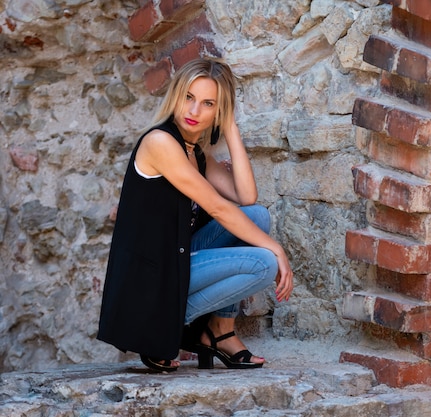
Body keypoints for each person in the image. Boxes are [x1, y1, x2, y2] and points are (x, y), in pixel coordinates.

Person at [97, 58, 293, 372]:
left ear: (219, 111)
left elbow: (246, 197)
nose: (193, 111)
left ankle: (219, 332)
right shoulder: (160, 142)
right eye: (188, 97)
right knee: (265, 263)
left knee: (256, 217)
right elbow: (217, 207)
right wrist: (278, 249)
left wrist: (230, 127)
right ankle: (166, 322)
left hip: (177, 260)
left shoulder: (195, 153)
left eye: (208, 104)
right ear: (176, 95)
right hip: (153, 281)